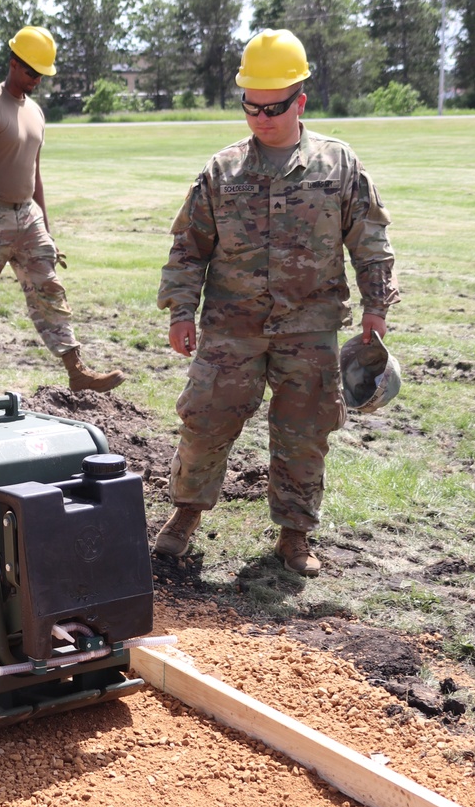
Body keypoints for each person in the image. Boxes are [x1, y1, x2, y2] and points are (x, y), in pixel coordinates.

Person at [154, 29, 398, 577]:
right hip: (230, 328)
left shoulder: (339, 164)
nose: (262, 118)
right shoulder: (222, 171)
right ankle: (185, 517)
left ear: (300, 101)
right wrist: (179, 311)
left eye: (275, 107)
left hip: (309, 329)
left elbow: (371, 240)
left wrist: (376, 306)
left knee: (304, 432)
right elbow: (187, 249)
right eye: (252, 106)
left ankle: (295, 535)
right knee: (205, 424)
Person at [0, 25, 124, 397]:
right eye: (30, 72)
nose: (36, 80)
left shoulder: (37, 112)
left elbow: (35, 174)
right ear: (12, 63)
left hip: (27, 216)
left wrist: (48, 228)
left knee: (50, 288)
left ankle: (77, 370)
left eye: (41, 74)